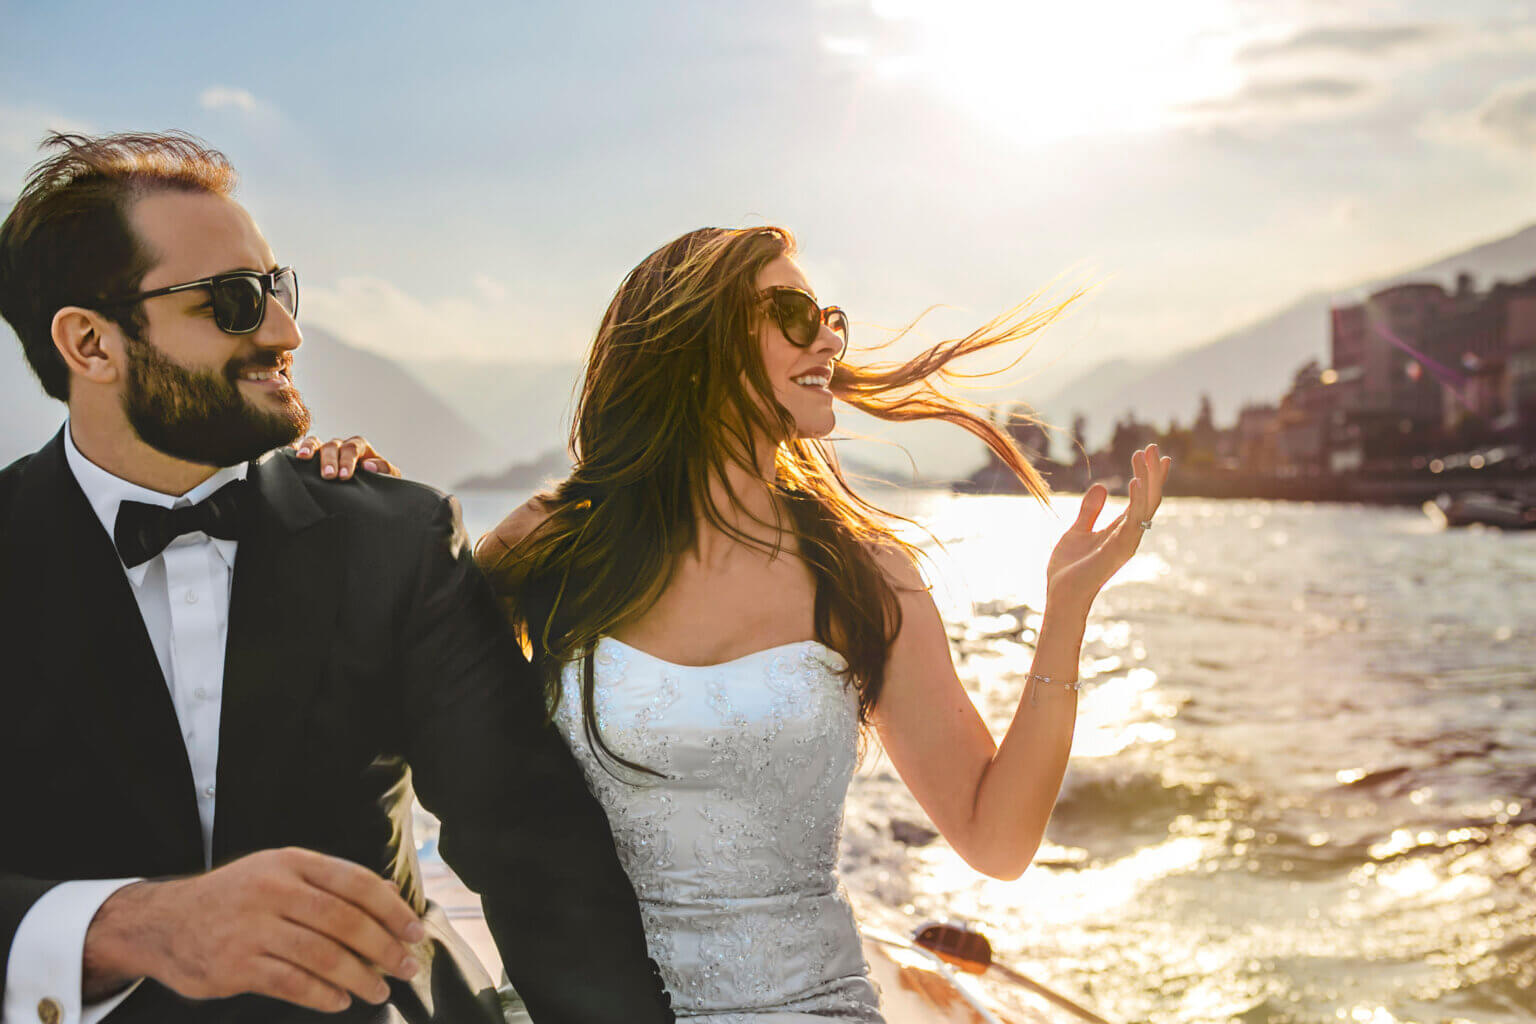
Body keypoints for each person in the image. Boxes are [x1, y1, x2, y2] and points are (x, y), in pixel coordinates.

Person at [0, 132, 673, 1024]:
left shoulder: (397, 537)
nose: (287, 331)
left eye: (278, 290)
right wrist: (116, 928)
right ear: (91, 344)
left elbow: (533, 846)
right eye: (235, 302)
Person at [464, 226, 1173, 1021]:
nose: (830, 337)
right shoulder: (550, 547)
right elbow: (399, 725)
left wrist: (1065, 616)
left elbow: (996, 838)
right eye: (795, 312)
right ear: (695, 343)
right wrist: (353, 492)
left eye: (830, 314)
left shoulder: (865, 575)